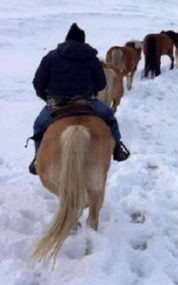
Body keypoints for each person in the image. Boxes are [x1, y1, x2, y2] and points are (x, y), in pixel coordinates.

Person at [29, 23, 130, 174]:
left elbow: (38, 83)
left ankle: (38, 159)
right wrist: (91, 94)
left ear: (66, 40)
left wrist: (47, 99)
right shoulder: (92, 58)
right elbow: (101, 83)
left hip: (57, 103)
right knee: (110, 117)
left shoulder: (50, 57)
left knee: (38, 126)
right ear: (83, 41)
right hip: (86, 101)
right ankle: (117, 149)